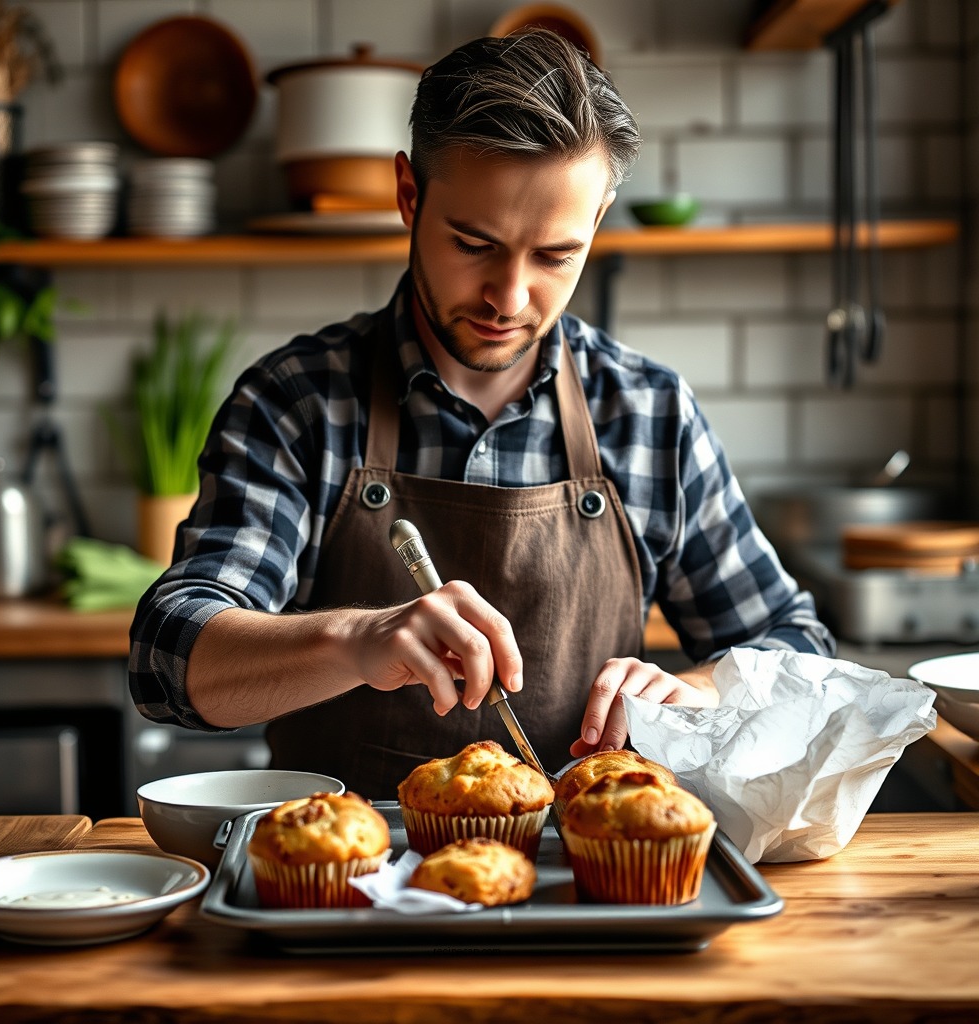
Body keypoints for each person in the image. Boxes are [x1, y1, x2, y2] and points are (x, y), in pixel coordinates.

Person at [129, 29, 835, 799]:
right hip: (341, 886)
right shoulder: (298, 403)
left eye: (555, 256)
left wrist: (700, 692)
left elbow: (800, 653)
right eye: (474, 243)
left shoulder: (649, 415)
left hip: (586, 884)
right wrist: (358, 637)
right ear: (408, 196)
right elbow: (168, 658)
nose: (510, 297)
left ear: (597, 223)